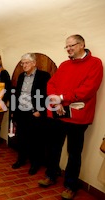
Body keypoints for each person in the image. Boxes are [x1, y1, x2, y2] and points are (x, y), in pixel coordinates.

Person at [38, 34, 103, 200]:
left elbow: (87, 90)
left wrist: (62, 98)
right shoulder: (64, 64)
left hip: (77, 118)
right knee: (54, 147)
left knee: (74, 153)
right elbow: (51, 84)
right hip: (58, 113)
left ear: (82, 45)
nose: (68, 49)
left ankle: (70, 185)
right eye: (66, 47)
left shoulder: (95, 63)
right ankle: (51, 175)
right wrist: (56, 100)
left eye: (71, 46)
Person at [11, 53, 50, 175]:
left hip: (34, 113)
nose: (24, 65)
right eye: (22, 63)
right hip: (21, 112)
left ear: (34, 63)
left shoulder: (44, 76)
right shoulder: (21, 76)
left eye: (26, 62)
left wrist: (41, 110)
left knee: (35, 140)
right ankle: (21, 159)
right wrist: (14, 111)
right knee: (21, 138)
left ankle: (35, 164)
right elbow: (18, 94)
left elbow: (47, 95)